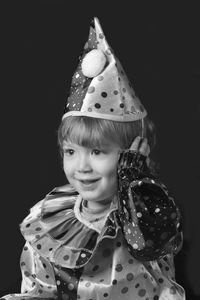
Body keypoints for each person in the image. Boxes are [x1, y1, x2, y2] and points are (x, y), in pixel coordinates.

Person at [1, 17, 185, 300]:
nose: (82, 167)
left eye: (98, 152)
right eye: (71, 151)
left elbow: (152, 243)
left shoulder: (140, 216)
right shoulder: (50, 221)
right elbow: (41, 291)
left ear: (130, 155)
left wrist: (134, 178)